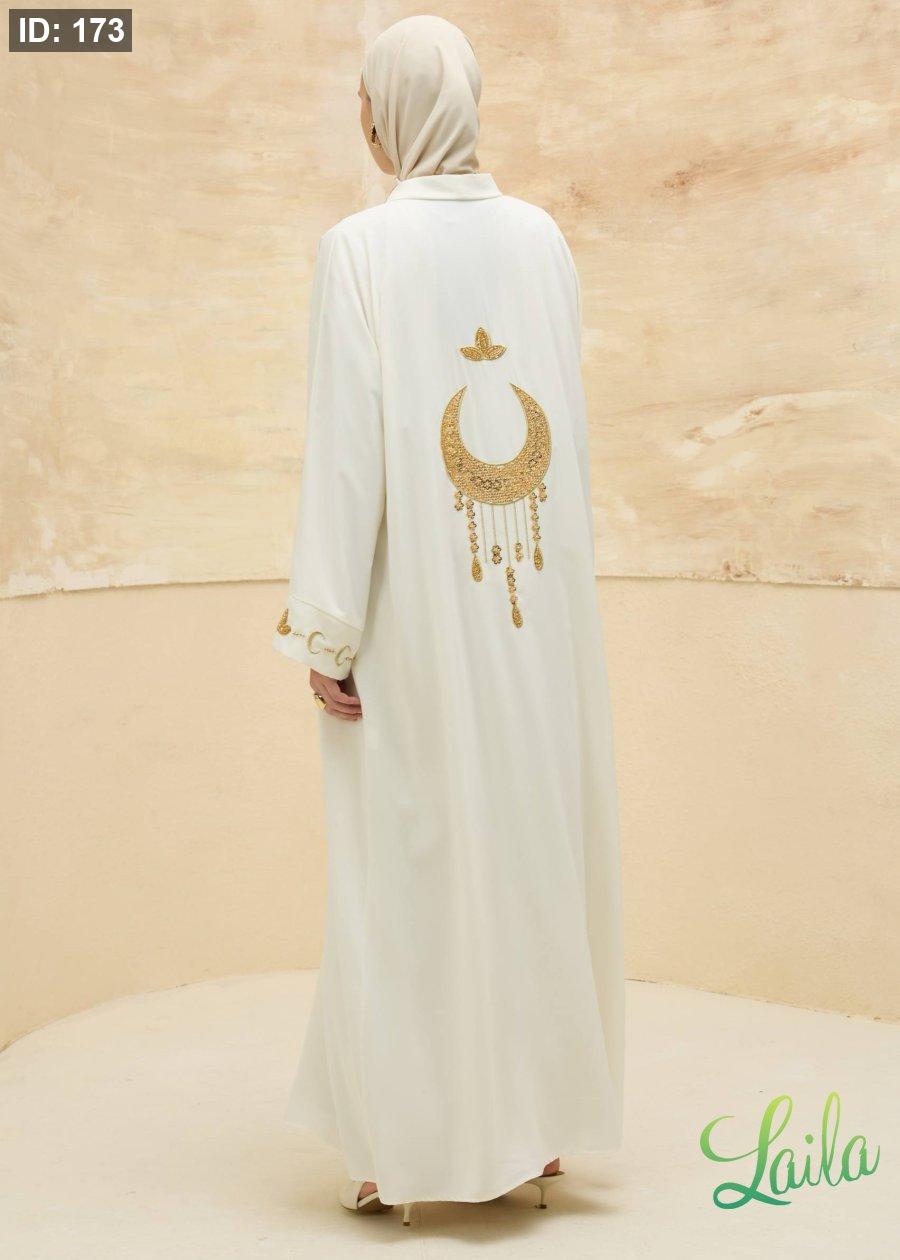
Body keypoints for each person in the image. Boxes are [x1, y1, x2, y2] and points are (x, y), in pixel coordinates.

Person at [272, 14, 624, 1227]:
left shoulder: (361, 249)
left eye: (365, 101)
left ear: (388, 111)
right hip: (539, 614)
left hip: (415, 619)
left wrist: (327, 632)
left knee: (408, 866)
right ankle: (530, 1130)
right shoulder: (542, 238)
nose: (363, 121)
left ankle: (399, 1149)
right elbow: (565, 426)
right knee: (530, 847)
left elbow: (347, 452)